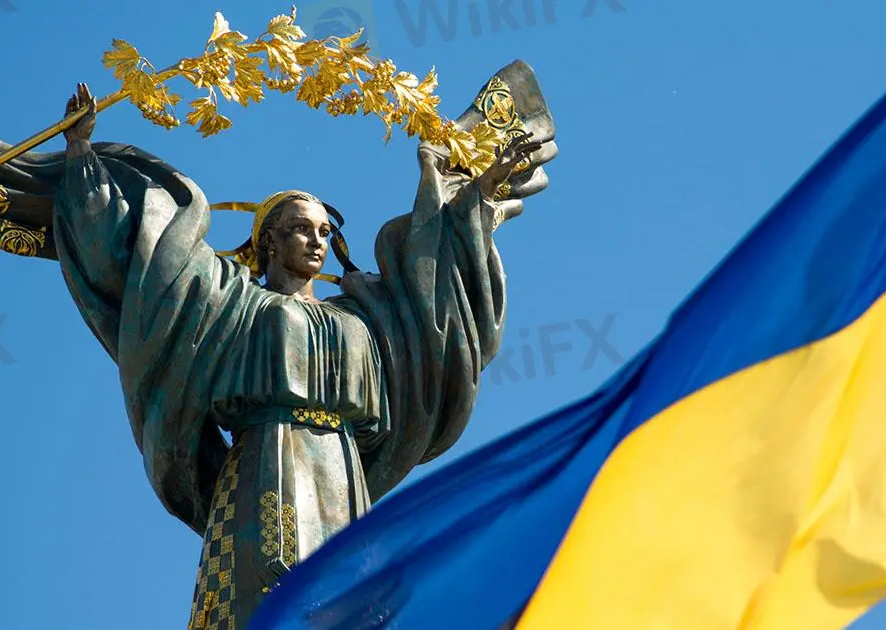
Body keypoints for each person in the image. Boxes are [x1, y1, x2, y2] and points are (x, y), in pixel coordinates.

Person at [55, 73, 550, 626]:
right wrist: (80, 155)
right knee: (264, 597)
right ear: (268, 241)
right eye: (300, 229)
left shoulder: (364, 316)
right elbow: (145, 262)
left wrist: (475, 198)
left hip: (343, 474)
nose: (316, 240)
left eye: (323, 231)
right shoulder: (233, 302)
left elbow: (435, 297)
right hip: (264, 465)